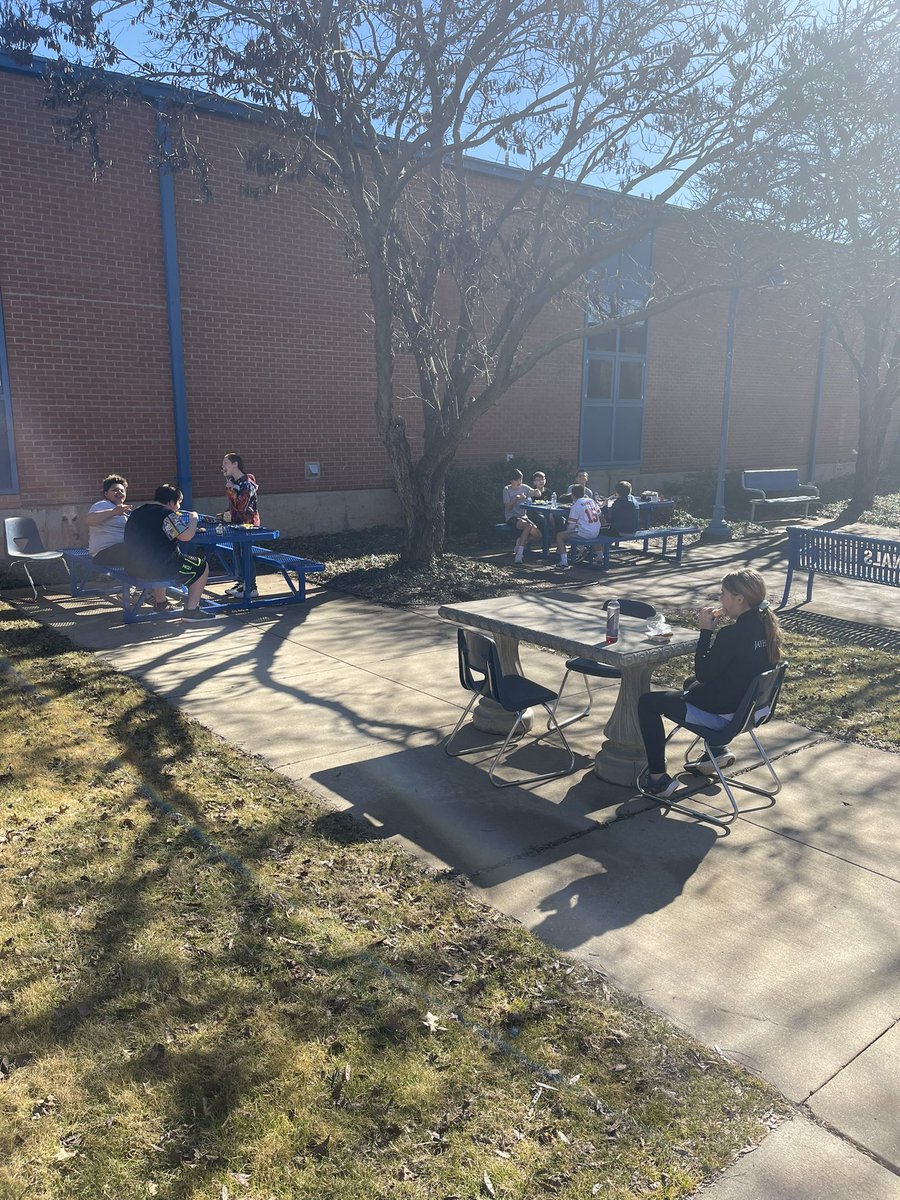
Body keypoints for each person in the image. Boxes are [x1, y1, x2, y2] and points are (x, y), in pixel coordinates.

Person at [638, 569, 785, 797]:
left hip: (724, 717)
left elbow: (704, 674)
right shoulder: (766, 627)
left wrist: (706, 632)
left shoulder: (733, 634)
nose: (721, 600)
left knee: (647, 703)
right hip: (751, 711)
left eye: (723, 594)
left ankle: (657, 778)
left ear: (739, 599)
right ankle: (716, 752)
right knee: (689, 683)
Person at [86, 474, 176, 613]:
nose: (119, 493)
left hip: (122, 551)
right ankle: (155, 598)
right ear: (105, 494)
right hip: (104, 552)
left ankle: (144, 593)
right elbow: (89, 520)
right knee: (152, 553)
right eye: (114, 490)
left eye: (122, 490)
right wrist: (113, 511)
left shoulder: (125, 512)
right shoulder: (102, 505)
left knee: (152, 552)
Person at [124, 484, 212, 620]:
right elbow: (186, 537)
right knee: (201, 566)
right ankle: (192, 611)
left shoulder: (138, 511)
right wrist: (194, 519)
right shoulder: (168, 515)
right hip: (159, 567)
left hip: (133, 567)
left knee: (160, 557)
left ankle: (161, 603)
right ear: (171, 502)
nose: (179, 507)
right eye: (179, 503)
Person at [218, 452, 260, 598]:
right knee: (236, 553)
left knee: (245, 554)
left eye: (226, 464)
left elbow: (242, 505)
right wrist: (226, 514)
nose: (223, 467)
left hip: (247, 525)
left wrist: (230, 489)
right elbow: (234, 506)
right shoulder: (234, 482)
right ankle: (242, 582)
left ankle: (251, 586)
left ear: (235, 465)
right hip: (236, 524)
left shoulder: (246, 482)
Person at [554, 484, 607, 568]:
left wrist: (566, 533)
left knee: (560, 535)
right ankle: (600, 557)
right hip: (596, 531)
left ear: (573, 495)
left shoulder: (576, 505)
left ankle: (564, 562)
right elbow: (599, 513)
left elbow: (571, 525)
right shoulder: (591, 500)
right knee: (590, 531)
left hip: (585, 533)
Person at [502, 468, 541, 564]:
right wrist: (517, 498)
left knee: (538, 536)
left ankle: (520, 542)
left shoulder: (525, 487)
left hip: (524, 517)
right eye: (517, 480)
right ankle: (519, 554)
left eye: (521, 480)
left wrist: (537, 491)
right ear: (511, 481)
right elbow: (508, 508)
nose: (519, 482)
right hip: (512, 517)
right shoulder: (506, 490)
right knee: (528, 526)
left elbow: (537, 494)